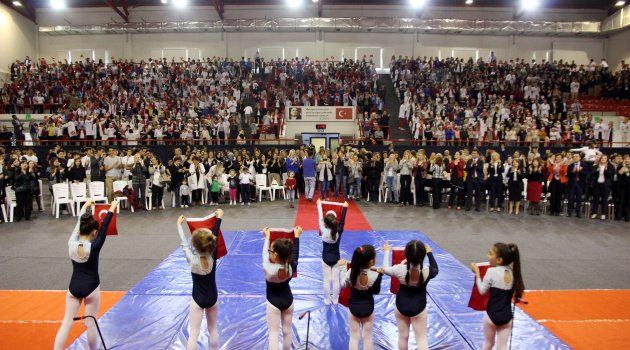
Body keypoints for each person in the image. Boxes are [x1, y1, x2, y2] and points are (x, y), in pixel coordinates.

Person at [54, 199, 118, 350]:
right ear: (94, 233)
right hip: (91, 288)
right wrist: (112, 208)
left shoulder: (71, 244)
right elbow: (104, 228)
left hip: (74, 287)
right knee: (91, 324)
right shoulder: (94, 246)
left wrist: (85, 207)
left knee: (66, 323)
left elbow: (78, 226)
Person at [176, 209, 223, 350]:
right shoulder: (212, 256)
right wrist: (218, 218)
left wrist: (179, 225)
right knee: (213, 330)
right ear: (211, 246)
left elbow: (184, 243)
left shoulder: (192, 259)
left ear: (195, 246)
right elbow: (214, 234)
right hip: (212, 297)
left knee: (194, 334)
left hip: (197, 298)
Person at [380, 240, 438, 350]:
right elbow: (436, 269)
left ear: (406, 254)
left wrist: (387, 252)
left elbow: (385, 269)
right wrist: (430, 253)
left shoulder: (399, 269)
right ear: (423, 256)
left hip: (401, 305)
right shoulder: (427, 271)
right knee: (421, 339)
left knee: (403, 337)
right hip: (419, 307)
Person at [470, 243, 524, 350]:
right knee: (502, 347)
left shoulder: (491, 271)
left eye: (490, 254)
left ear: (499, 260)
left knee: (488, 344)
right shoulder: (514, 273)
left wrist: (477, 274)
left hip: (491, 315)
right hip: (507, 317)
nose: (488, 256)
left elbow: (482, 291)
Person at [262, 226, 302, 350]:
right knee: (287, 331)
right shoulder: (290, 267)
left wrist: (267, 237)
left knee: (273, 333)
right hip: (288, 301)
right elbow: (295, 256)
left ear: (275, 255)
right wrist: (297, 237)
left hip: (273, 303)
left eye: (271, 251)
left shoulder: (268, 268)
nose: (269, 252)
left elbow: (264, 254)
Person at [340, 245, 383, 350]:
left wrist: (342, 269)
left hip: (353, 308)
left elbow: (343, 285)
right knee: (367, 337)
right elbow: (376, 291)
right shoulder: (375, 275)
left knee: (354, 337)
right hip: (368, 308)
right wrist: (380, 276)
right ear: (371, 262)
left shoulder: (351, 273)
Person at [318, 199, 349, 304]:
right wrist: (345, 207)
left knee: (327, 280)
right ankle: (335, 299)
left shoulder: (323, 230)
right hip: (336, 258)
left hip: (325, 259)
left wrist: (319, 205)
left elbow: (320, 218)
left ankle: (327, 300)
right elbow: (343, 221)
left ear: (325, 223)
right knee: (336, 280)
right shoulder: (338, 231)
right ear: (336, 221)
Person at [590, 154, 614, 220]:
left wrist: (605, 169)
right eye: (602, 158)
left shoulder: (610, 166)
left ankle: (603, 214)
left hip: (605, 185)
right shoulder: (596, 165)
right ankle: (594, 213)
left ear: (607, 159)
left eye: (605, 158)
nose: (603, 159)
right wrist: (598, 169)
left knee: (604, 200)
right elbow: (593, 173)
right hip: (597, 185)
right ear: (600, 159)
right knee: (596, 199)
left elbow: (609, 174)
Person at [566, 153, 588, 218]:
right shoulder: (570, 166)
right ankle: (569, 212)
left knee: (579, 199)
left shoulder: (584, 165)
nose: (575, 157)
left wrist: (580, 171)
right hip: (571, 184)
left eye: (577, 156)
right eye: (574, 156)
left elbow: (586, 174)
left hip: (580, 184)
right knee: (570, 199)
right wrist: (573, 171)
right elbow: (568, 175)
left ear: (580, 158)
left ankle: (578, 213)